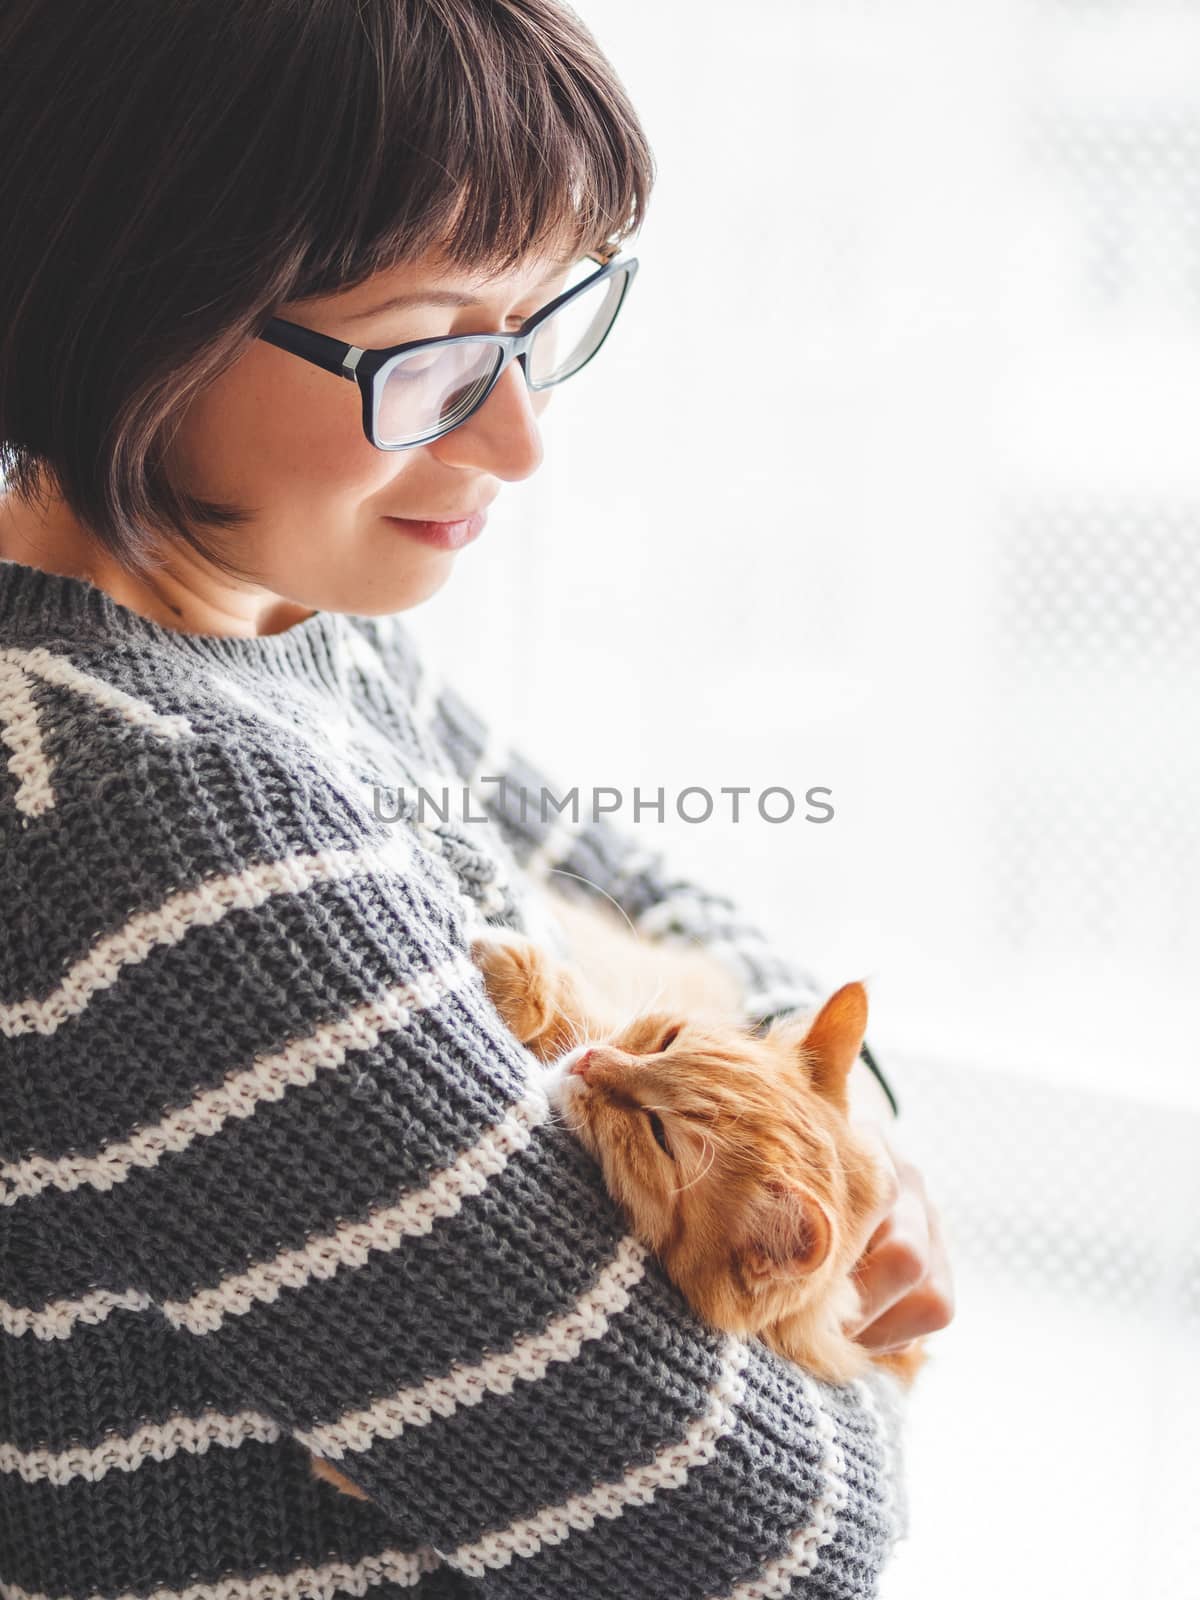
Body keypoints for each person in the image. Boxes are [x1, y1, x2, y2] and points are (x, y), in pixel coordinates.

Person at [0, 3, 952, 1598]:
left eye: (543, 325)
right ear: (138, 304)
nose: (520, 434)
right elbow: (779, 1545)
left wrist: (848, 1148)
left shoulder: (273, 621)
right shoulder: (154, 823)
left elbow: (668, 904)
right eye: (436, 347)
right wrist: (819, 1281)